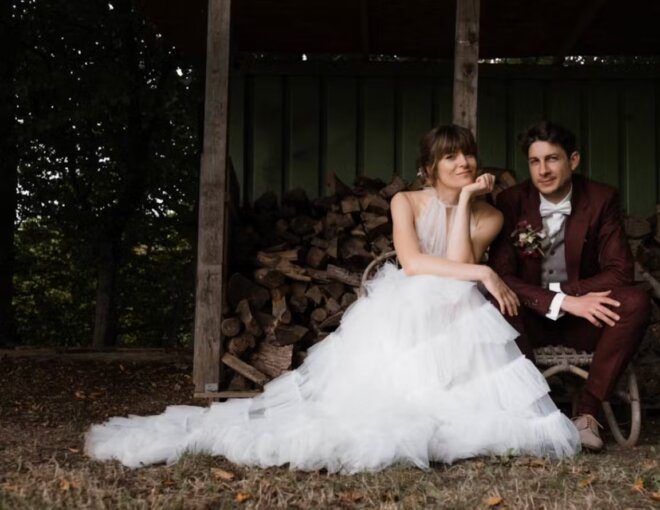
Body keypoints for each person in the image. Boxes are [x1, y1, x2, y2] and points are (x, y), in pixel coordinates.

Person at [85, 125, 580, 473]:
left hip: (458, 309)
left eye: (467, 153)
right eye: (450, 155)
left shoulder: (486, 215)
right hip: (407, 305)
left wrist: (468, 202)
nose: (463, 162)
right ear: (429, 166)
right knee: (364, 399)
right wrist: (482, 272)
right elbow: (413, 263)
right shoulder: (404, 201)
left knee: (473, 400)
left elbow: (453, 268)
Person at [488, 121, 651, 452]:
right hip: (530, 317)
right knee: (493, 302)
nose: (543, 170)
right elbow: (502, 276)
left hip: (583, 321)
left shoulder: (602, 199)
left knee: (635, 301)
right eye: (535, 162)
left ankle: (587, 414)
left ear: (573, 160)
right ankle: (534, 413)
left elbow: (620, 272)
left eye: (552, 159)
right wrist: (558, 301)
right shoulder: (511, 201)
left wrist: (569, 300)